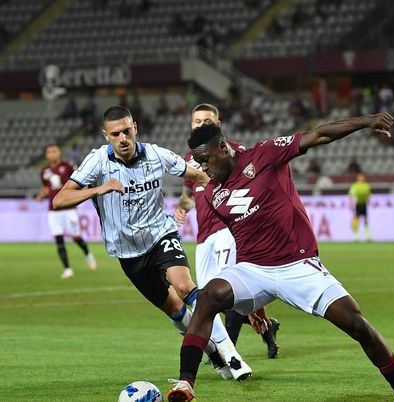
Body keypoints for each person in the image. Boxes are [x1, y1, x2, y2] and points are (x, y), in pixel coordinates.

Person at [166, 115, 394, 402]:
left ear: (223, 149)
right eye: (198, 163)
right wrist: (250, 303)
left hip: (297, 265)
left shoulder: (265, 154)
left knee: (356, 323)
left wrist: (367, 122)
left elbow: (319, 135)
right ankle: (186, 384)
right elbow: (243, 236)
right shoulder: (213, 192)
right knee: (209, 296)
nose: (204, 169)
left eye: (206, 159)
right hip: (253, 269)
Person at [52, 106, 252, 382]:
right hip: (127, 252)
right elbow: (59, 200)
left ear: (135, 127)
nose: (122, 138)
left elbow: (198, 175)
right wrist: (99, 189)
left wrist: (221, 194)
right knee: (174, 310)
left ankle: (232, 356)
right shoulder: (97, 161)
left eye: (126, 131)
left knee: (184, 286)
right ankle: (213, 353)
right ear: (105, 136)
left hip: (161, 235)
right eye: (115, 134)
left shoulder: (157, 154)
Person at [173, 103, 280, 359]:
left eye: (206, 121)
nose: (200, 125)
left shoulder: (231, 151)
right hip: (204, 236)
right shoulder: (190, 159)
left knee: (228, 288)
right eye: (196, 121)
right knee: (211, 296)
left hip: (228, 229)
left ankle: (229, 355)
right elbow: (189, 193)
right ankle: (267, 328)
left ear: (217, 124)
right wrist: (182, 208)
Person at [37, 144, 96, 279]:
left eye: (54, 151)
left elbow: (78, 183)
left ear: (59, 152)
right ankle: (67, 269)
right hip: (53, 211)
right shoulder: (44, 170)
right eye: (49, 152)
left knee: (76, 237)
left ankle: (88, 254)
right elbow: (47, 187)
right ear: (46, 155)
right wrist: (41, 195)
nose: (52, 154)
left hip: (69, 210)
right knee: (59, 239)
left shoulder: (68, 167)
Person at [348, 173, 372, 242]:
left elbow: (368, 195)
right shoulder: (355, 186)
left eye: (362, 177)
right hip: (357, 204)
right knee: (356, 220)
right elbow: (351, 194)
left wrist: (368, 200)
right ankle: (356, 236)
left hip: (363, 204)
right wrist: (352, 203)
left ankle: (367, 236)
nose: (361, 179)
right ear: (357, 178)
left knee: (365, 219)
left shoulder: (366, 186)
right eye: (360, 177)